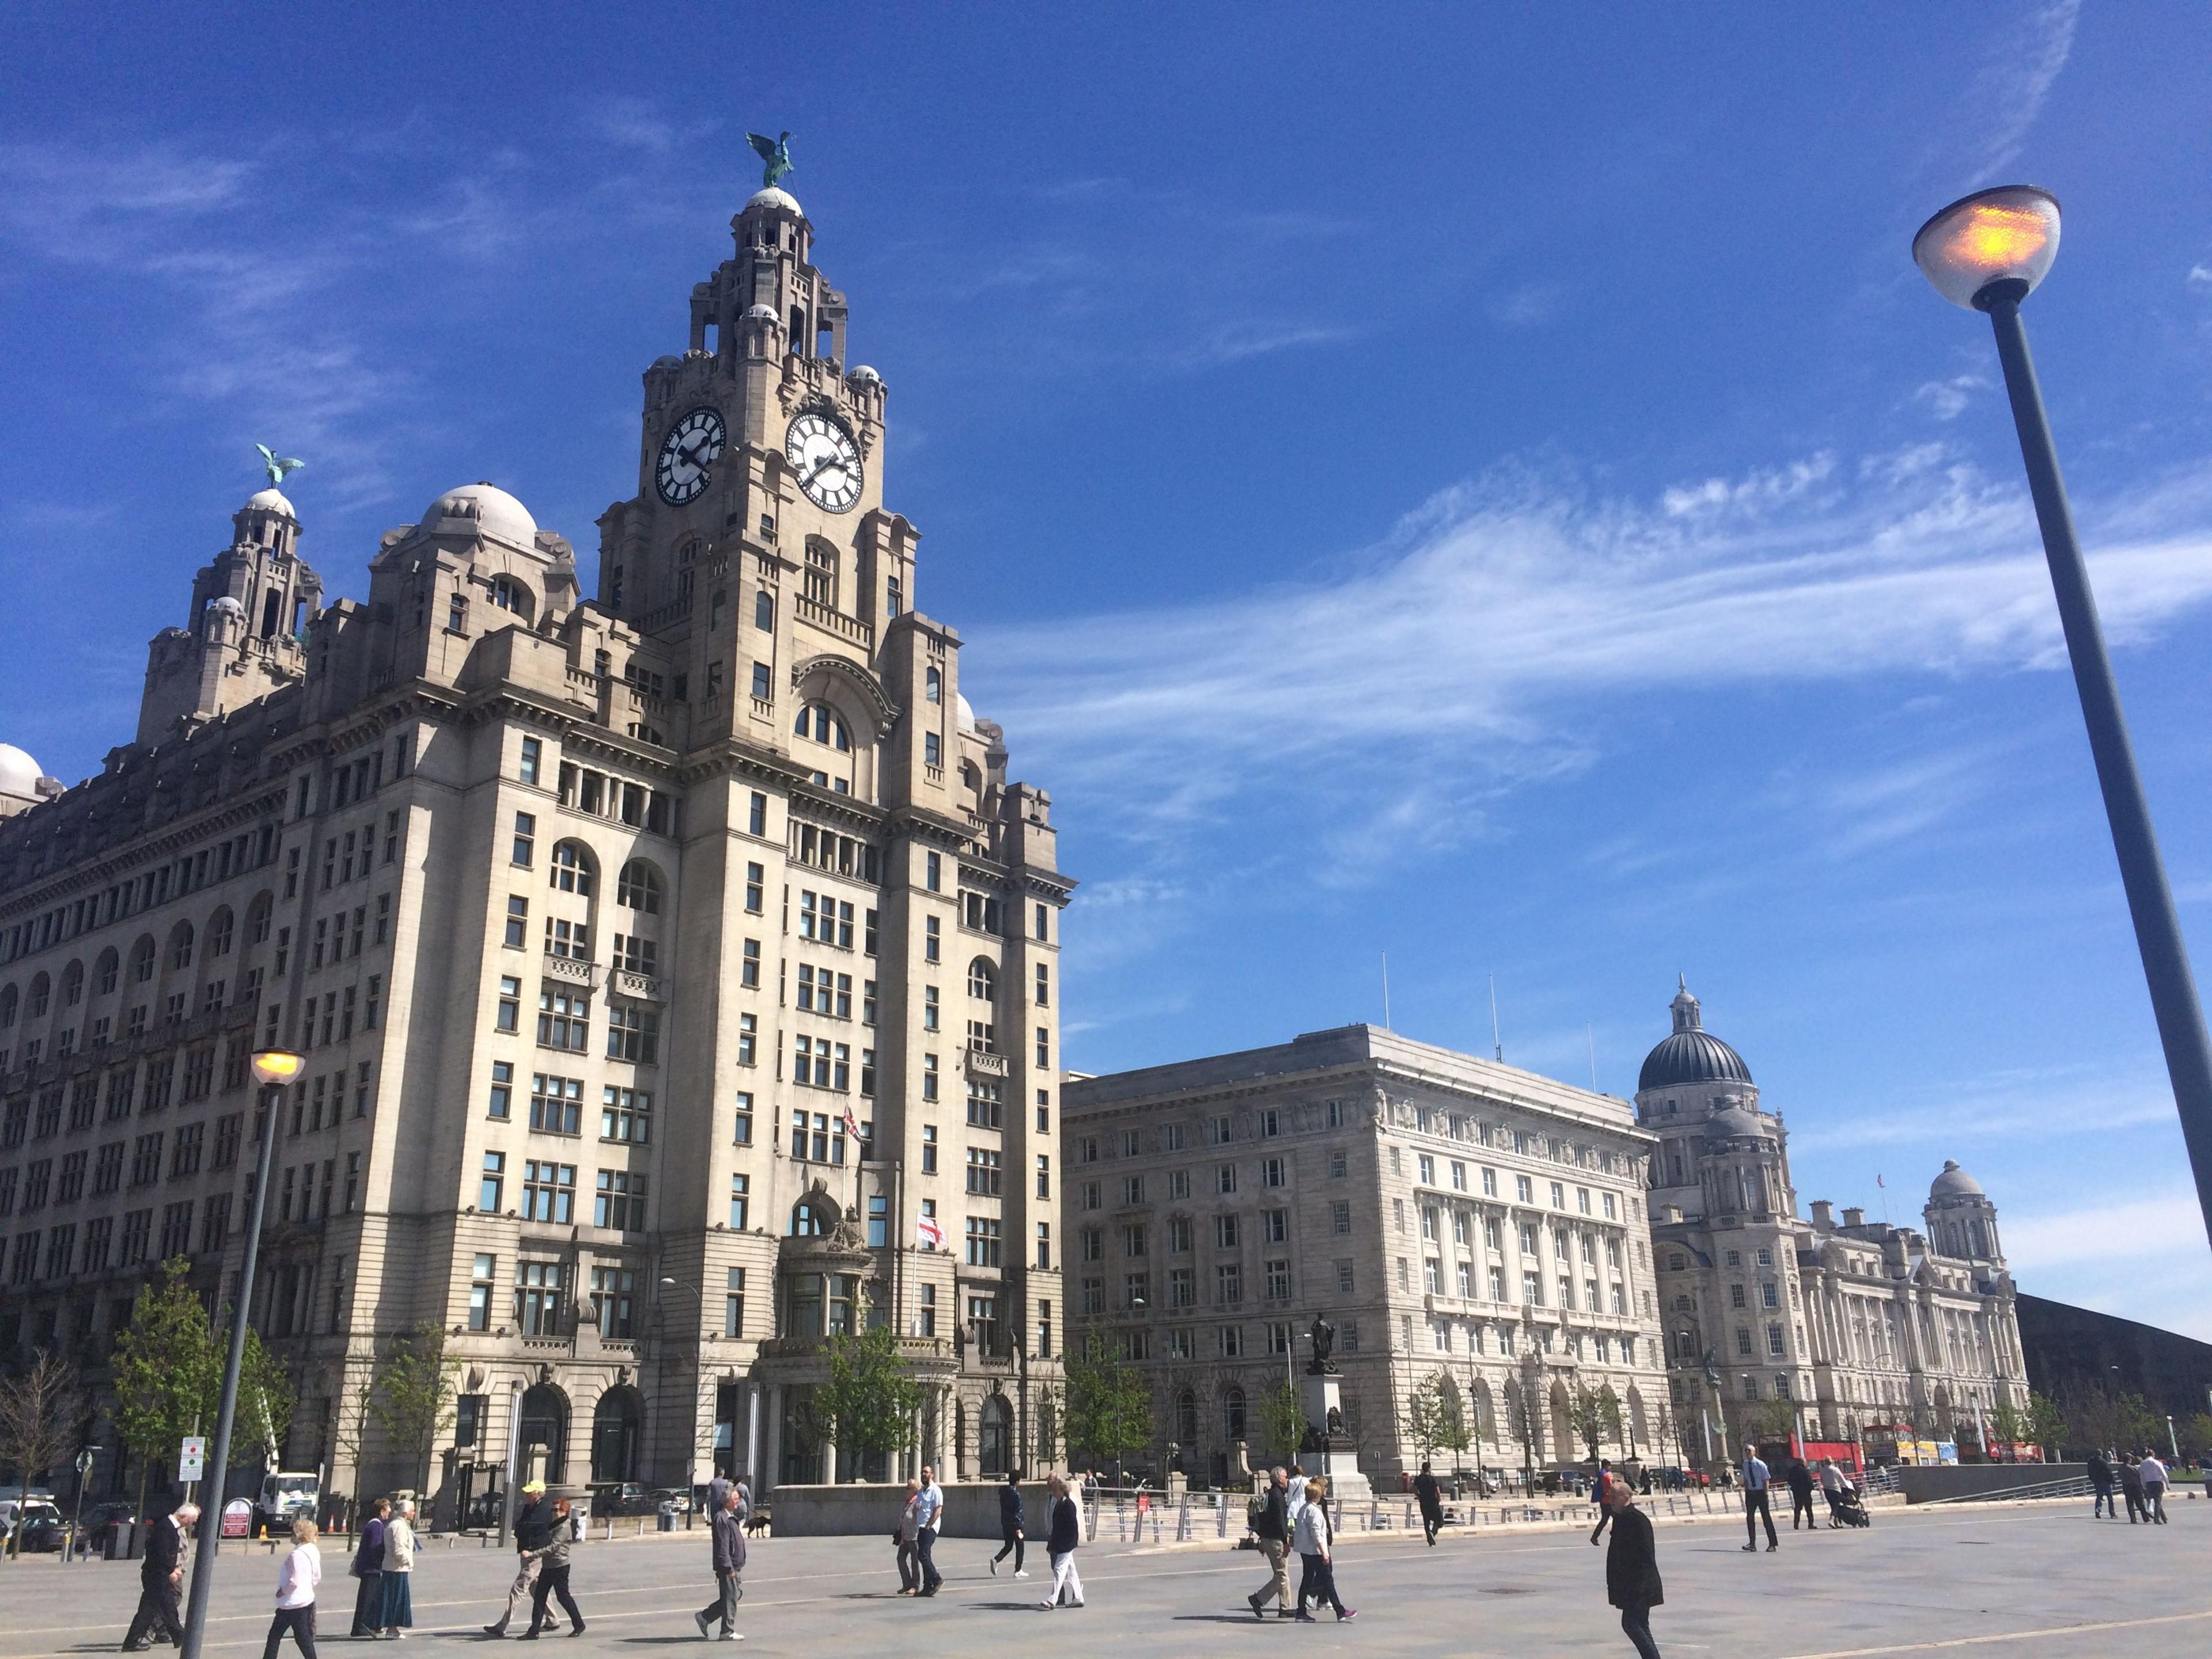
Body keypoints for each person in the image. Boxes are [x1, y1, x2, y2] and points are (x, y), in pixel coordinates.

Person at [488, 1480, 565, 1637]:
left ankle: (503, 1625)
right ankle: (552, 1620)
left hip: (534, 1553)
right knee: (536, 1587)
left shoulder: (544, 1509)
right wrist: (521, 1530)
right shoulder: (530, 1507)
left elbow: (531, 1526)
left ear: (537, 1493)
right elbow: (521, 1525)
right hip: (526, 1551)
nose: (526, 1495)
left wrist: (522, 1530)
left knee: (519, 1587)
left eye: (529, 1493)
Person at [121, 1502, 199, 1652]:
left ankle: (178, 1636)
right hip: (156, 1575)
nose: (191, 1525)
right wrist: (171, 1570)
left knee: (163, 1607)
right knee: (154, 1609)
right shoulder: (166, 1528)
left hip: (157, 1574)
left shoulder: (169, 1527)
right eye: (191, 1521)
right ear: (183, 1517)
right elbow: (161, 1553)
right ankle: (133, 1642)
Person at [1603, 1475, 1665, 1659]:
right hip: (1630, 1583)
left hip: (1639, 1585)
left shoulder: (1638, 1520)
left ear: (1626, 1497)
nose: (1610, 1500)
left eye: (1614, 1496)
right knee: (1640, 1624)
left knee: (1631, 1624)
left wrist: (1640, 1585)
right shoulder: (1621, 1519)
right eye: (1609, 1496)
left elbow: (1647, 1555)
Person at [1290, 1478, 1354, 1623]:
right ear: (1318, 1496)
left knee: (1307, 1579)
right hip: (1316, 1552)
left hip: (1306, 1551)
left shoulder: (1303, 1509)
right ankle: (1340, 1611)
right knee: (1327, 1579)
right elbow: (1317, 1534)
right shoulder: (1315, 1512)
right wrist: (1324, 1552)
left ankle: (1301, 1611)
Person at [521, 1496, 585, 1639]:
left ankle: (579, 1624)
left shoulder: (564, 1527)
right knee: (540, 1597)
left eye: (557, 1510)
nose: (554, 1512)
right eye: (552, 1509)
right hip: (549, 1566)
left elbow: (552, 1547)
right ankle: (534, 1631)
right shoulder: (554, 1524)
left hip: (560, 1567)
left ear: (565, 1511)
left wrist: (532, 1554)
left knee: (563, 1597)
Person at [261, 1517, 323, 1659]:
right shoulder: (313, 1550)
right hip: (305, 1600)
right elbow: (317, 1576)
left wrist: (281, 1592)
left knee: (275, 1637)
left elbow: (294, 1582)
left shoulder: (296, 1555)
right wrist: (307, 1587)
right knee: (302, 1637)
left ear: (298, 1535)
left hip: (291, 1602)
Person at [694, 1488, 745, 1641]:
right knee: (731, 1597)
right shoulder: (721, 1519)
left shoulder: (730, 1518)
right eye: (736, 1499)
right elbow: (722, 1546)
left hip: (734, 1565)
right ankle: (727, 1631)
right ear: (729, 1501)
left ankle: (705, 1617)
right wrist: (728, 1567)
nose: (739, 1501)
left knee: (734, 1595)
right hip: (728, 1567)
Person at [1246, 1466, 1291, 1619]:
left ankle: (1285, 1608)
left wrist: (1261, 1540)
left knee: (1283, 1574)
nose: (1287, 1480)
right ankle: (1258, 1599)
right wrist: (1286, 1542)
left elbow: (1265, 1520)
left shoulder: (1268, 1494)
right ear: (1279, 1479)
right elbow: (1280, 1522)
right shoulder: (1277, 1496)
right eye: (1286, 1477)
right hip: (1276, 1540)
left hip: (1266, 1538)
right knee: (1281, 1577)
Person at [1039, 1472, 1085, 1610]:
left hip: (1066, 1543)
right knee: (1071, 1571)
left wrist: (1063, 1543)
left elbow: (1071, 1527)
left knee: (1059, 1569)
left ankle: (1053, 1599)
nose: (1053, 1492)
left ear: (1061, 1490)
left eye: (1055, 1490)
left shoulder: (1068, 1505)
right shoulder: (1060, 1503)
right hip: (1062, 1542)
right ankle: (1078, 1597)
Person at [349, 1498, 389, 1638]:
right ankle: (360, 1626)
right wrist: (381, 1560)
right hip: (371, 1568)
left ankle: (369, 1625)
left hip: (369, 1567)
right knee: (366, 1599)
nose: (389, 1511)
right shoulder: (377, 1526)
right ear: (382, 1511)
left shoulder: (373, 1524)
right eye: (388, 1509)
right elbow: (375, 1547)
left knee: (370, 1598)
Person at [376, 1498, 416, 1638]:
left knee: (391, 1599)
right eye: (412, 1510)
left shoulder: (399, 1524)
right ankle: (392, 1629)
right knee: (395, 1600)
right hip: (397, 1568)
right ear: (405, 1513)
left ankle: (382, 1626)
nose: (414, 1513)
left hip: (396, 1568)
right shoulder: (398, 1526)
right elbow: (399, 1550)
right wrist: (408, 1562)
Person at [912, 1464, 944, 1597]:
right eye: (922, 1472)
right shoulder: (921, 1492)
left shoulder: (936, 1490)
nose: (924, 1475)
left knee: (922, 1555)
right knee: (926, 1555)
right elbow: (919, 1507)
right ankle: (928, 1587)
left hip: (930, 1527)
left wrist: (929, 1525)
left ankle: (936, 1578)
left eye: (926, 1472)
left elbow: (938, 1510)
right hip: (921, 1526)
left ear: (932, 1474)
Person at [1738, 1446, 1777, 1552]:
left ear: (1754, 1452)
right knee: (1750, 1518)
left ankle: (1772, 1544)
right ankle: (1752, 1544)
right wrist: (1747, 1491)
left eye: (1749, 1450)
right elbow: (1746, 1479)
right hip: (1751, 1493)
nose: (1747, 1452)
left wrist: (1765, 1494)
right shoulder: (1746, 1464)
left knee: (1766, 1518)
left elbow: (1766, 1480)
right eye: (1745, 1450)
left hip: (1760, 1493)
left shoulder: (1760, 1464)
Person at [991, 1467, 1027, 1577]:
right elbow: (1018, 1511)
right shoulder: (1016, 1494)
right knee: (1020, 1546)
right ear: (1017, 1481)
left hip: (1006, 1523)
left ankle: (997, 1559)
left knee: (1009, 1545)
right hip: (1016, 1525)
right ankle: (1018, 1570)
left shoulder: (1004, 1493)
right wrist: (1019, 1527)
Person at [893, 1479, 922, 1595]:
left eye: (908, 1488)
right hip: (905, 1536)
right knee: (900, 1559)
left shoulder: (917, 1503)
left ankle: (915, 1586)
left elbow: (920, 1518)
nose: (906, 1491)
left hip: (914, 1536)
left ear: (915, 1490)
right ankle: (907, 1584)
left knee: (914, 1561)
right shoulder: (907, 1502)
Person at [1412, 1460, 1444, 1546]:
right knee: (1440, 1521)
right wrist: (1439, 1499)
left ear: (1422, 1469)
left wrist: (1419, 1496)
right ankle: (1433, 1533)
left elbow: (1414, 1489)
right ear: (1429, 1469)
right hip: (1433, 1502)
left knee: (1426, 1521)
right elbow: (1438, 1491)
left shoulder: (1418, 1479)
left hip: (1423, 1502)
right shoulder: (1432, 1479)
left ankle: (1430, 1540)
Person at [1786, 1457, 1816, 1531]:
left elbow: (1789, 1480)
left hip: (1797, 1492)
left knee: (1798, 1508)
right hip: (1805, 1492)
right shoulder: (1805, 1470)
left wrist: (1794, 1487)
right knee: (1809, 1509)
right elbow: (1809, 1480)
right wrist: (1811, 1488)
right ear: (1803, 1462)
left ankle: (1796, 1524)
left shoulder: (1792, 1470)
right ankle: (1811, 1524)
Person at [1590, 1459, 1616, 1546]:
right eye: (1609, 1466)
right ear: (1607, 1466)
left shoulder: (1602, 1474)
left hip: (1604, 1501)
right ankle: (1614, 1533)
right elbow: (1610, 1488)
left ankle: (1594, 1537)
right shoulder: (1606, 1476)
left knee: (1604, 1520)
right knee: (1617, 1519)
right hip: (1608, 1501)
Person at [2139, 1450, 2169, 1524]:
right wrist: (2167, 1485)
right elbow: (2164, 1474)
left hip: (2149, 1483)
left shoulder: (2142, 1463)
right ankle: (2157, 1519)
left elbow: (2142, 1476)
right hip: (2157, 1483)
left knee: (2157, 1501)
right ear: (2153, 1455)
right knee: (2158, 1501)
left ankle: (2164, 1518)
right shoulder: (2157, 1463)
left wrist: (2144, 1485)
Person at [2118, 1452, 2148, 1524]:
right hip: (2135, 1487)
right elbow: (2139, 1476)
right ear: (2129, 1460)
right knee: (2140, 1503)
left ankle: (2133, 1519)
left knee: (2130, 1504)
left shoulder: (2120, 1469)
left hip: (2126, 1486)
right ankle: (2145, 1517)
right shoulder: (2132, 1468)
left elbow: (2120, 1476)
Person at [2085, 1448, 2115, 1518]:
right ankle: (2112, 1513)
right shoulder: (2103, 1462)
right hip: (2105, 1481)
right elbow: (2108, 1472)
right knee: (2110, 1498)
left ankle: (2098, 1510)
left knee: (2099, 1497)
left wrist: (2092, 1479)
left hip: (2097, 1482)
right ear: (2101, 1454)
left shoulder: (2091, 1462)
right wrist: (2113, 1481)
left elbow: (2090, 1471)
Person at [1818, 1459, 1848, 1524]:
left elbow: (1821, 1480)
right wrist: (1847, 1486)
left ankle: (1837, 1523)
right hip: (1835, 1490)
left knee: (1833, 1506)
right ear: (1832, 1462)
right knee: (1836, 1507)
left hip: (1827, 1490)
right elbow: (1843, 1480)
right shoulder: (1836, 1470)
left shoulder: (1822, 1470)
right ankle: (1831, 1520)